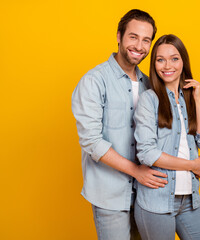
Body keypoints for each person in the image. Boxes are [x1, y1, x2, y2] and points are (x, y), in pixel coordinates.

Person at [71, 9, 168, 240]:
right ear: (119, 36)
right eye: (133, 37)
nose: (139, 46)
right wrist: (136, 171)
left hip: (147, 194)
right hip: (110, 194)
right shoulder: (94, 81)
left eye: (146, 40)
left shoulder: (150, 84)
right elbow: (91, 141)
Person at [133, 34, 200, 240]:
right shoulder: (148, 100)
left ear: (183, 61)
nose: (167, 65)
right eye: (160, 59)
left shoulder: (192, 98)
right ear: (154, 64)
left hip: (190, 200)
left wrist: (197, 99)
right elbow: (147, 153)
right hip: (156, 201)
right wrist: (191, 165)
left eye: (174, 58)